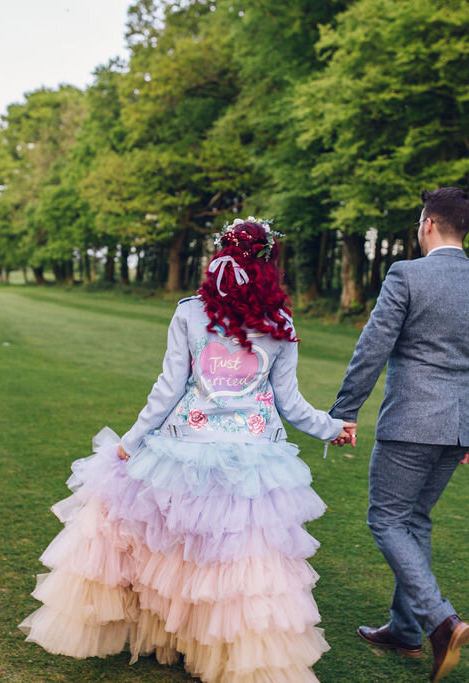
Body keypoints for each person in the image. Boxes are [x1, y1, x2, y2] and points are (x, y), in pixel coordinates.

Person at [20, 218, 355, 682]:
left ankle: (177, 637)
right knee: (238, 562)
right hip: (253, 457)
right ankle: (231, 655)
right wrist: (332, 428)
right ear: (267, 263)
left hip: (185, 448)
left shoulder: (191, 312)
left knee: (180, 551)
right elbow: (290, 402)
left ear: (220, 254)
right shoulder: (279, 323)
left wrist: (130, 442)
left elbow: (168, 388)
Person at [328, 187, 469, 681]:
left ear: (428, 225)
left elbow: (372, 347)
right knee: (415, 521)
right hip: (458, 427)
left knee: (386, 520)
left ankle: (439, 621)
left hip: (411, 423)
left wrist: (344, 410)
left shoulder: (406, 274)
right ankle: (405, 631)